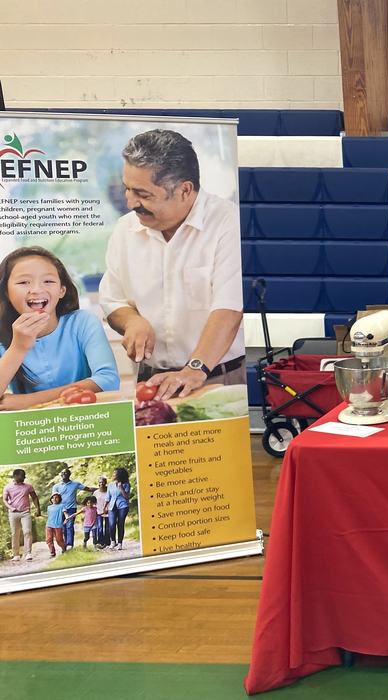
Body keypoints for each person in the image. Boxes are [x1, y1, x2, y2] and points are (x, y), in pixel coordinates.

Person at [98, 129, 245, 403]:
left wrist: (195, 368)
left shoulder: (229, 223)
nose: (130, 202)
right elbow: (113, 301)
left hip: (217, 378)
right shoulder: (124, 230)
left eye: (142, 194)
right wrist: (132, 321)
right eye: (127, 188)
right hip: (150, 382)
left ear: (184, 190)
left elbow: (230, 308)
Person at [0, 247, 120, 410]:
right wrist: (18, 348)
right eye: (23, 282)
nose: (36, 290)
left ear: (62, 290)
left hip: (89, 416)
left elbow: (108, 380)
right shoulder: (3, 337)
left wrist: (30, 401)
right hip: (32, 424)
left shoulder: (82, 322)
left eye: (48, 281)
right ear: (6, 292)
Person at [52, 467, 95, 551]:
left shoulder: (75, 484)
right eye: (62, 473)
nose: (64, 474)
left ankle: (69, 544)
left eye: (66, 473)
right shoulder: (56, 486)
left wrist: (100, 489)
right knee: (63, 527)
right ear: (60, 475)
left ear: (69, 474)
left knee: (69, 525)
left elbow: (88, 489)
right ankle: (65, 544)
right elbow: (54, 499)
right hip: (60, 509)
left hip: (71, 508)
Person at [3, 468, 41, 562]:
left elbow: (34, 497)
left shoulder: (28, 486)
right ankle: (16, 555)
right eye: (22, 476)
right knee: (15, 534)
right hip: (13, 513)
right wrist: (11, 507)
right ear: (15, 476)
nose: (24, 477)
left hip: (25, 512)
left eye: (24, 476)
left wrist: (38, 509)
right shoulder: (8, 487)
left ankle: (28, 553)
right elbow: (4, 500)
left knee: (27, 531)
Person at [106, 468, 131, 551]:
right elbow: (108, 497)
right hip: (112, 506)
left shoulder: (126, 484)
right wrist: (105, 507)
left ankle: (120, 543)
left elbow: (127, 497)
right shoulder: (110, 485)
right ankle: (113, 541)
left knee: (120, 524)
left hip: (123, 506)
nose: (113, 475)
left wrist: (121, 488)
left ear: (119, 475)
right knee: (111, 524)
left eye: (115, 473)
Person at [45, 493, 65, 558]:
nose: (54, 499)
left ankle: (64, 549)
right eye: (53, 498)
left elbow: (65, 513)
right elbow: (49, 516)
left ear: (59, 499)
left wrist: (67, 518)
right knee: (49, 539)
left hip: (58, 525)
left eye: (56, 497)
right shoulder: (49, 507)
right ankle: (52, 553)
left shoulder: (61, 506)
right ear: (51, 499)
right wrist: (40, 515)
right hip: (49, 525)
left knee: (59, 540)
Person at [93, 476, 110, 549]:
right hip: (99, 512)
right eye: (100, 482)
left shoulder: (109, 491)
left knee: (108, 528)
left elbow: (111, 500)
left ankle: (107, 542)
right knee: (100, 527)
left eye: (103, 482)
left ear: (105, 483)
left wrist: (107, 509)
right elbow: (93, 502)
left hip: (108, 511)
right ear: (98, 483)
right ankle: (100, 542)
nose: (101, 483)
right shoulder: (96, 492)